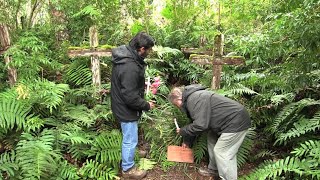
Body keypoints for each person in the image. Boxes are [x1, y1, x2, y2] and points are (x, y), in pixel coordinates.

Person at [168, 84, 251, 180]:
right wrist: (187, 141)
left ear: (178, 100)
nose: (178, 108)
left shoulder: (195, 99)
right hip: (225, 123)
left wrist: (183, 131)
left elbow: (201, 125)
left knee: (222, 152)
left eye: (176, 105)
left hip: (236, 121)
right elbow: (194, 122)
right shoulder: (192, 98)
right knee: (211, 138)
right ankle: (214, 169)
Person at [111, 32, 155, 179]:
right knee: (130, 138)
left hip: (121, 104)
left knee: (130, 135)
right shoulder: (129, 65)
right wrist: (146, 105)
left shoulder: (127, 55)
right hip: (126, 108)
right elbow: (130, 96)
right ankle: (128, 168)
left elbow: (129, 86)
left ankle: (131, 153)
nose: (149, 52)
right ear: (142, 48)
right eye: (148, 50)